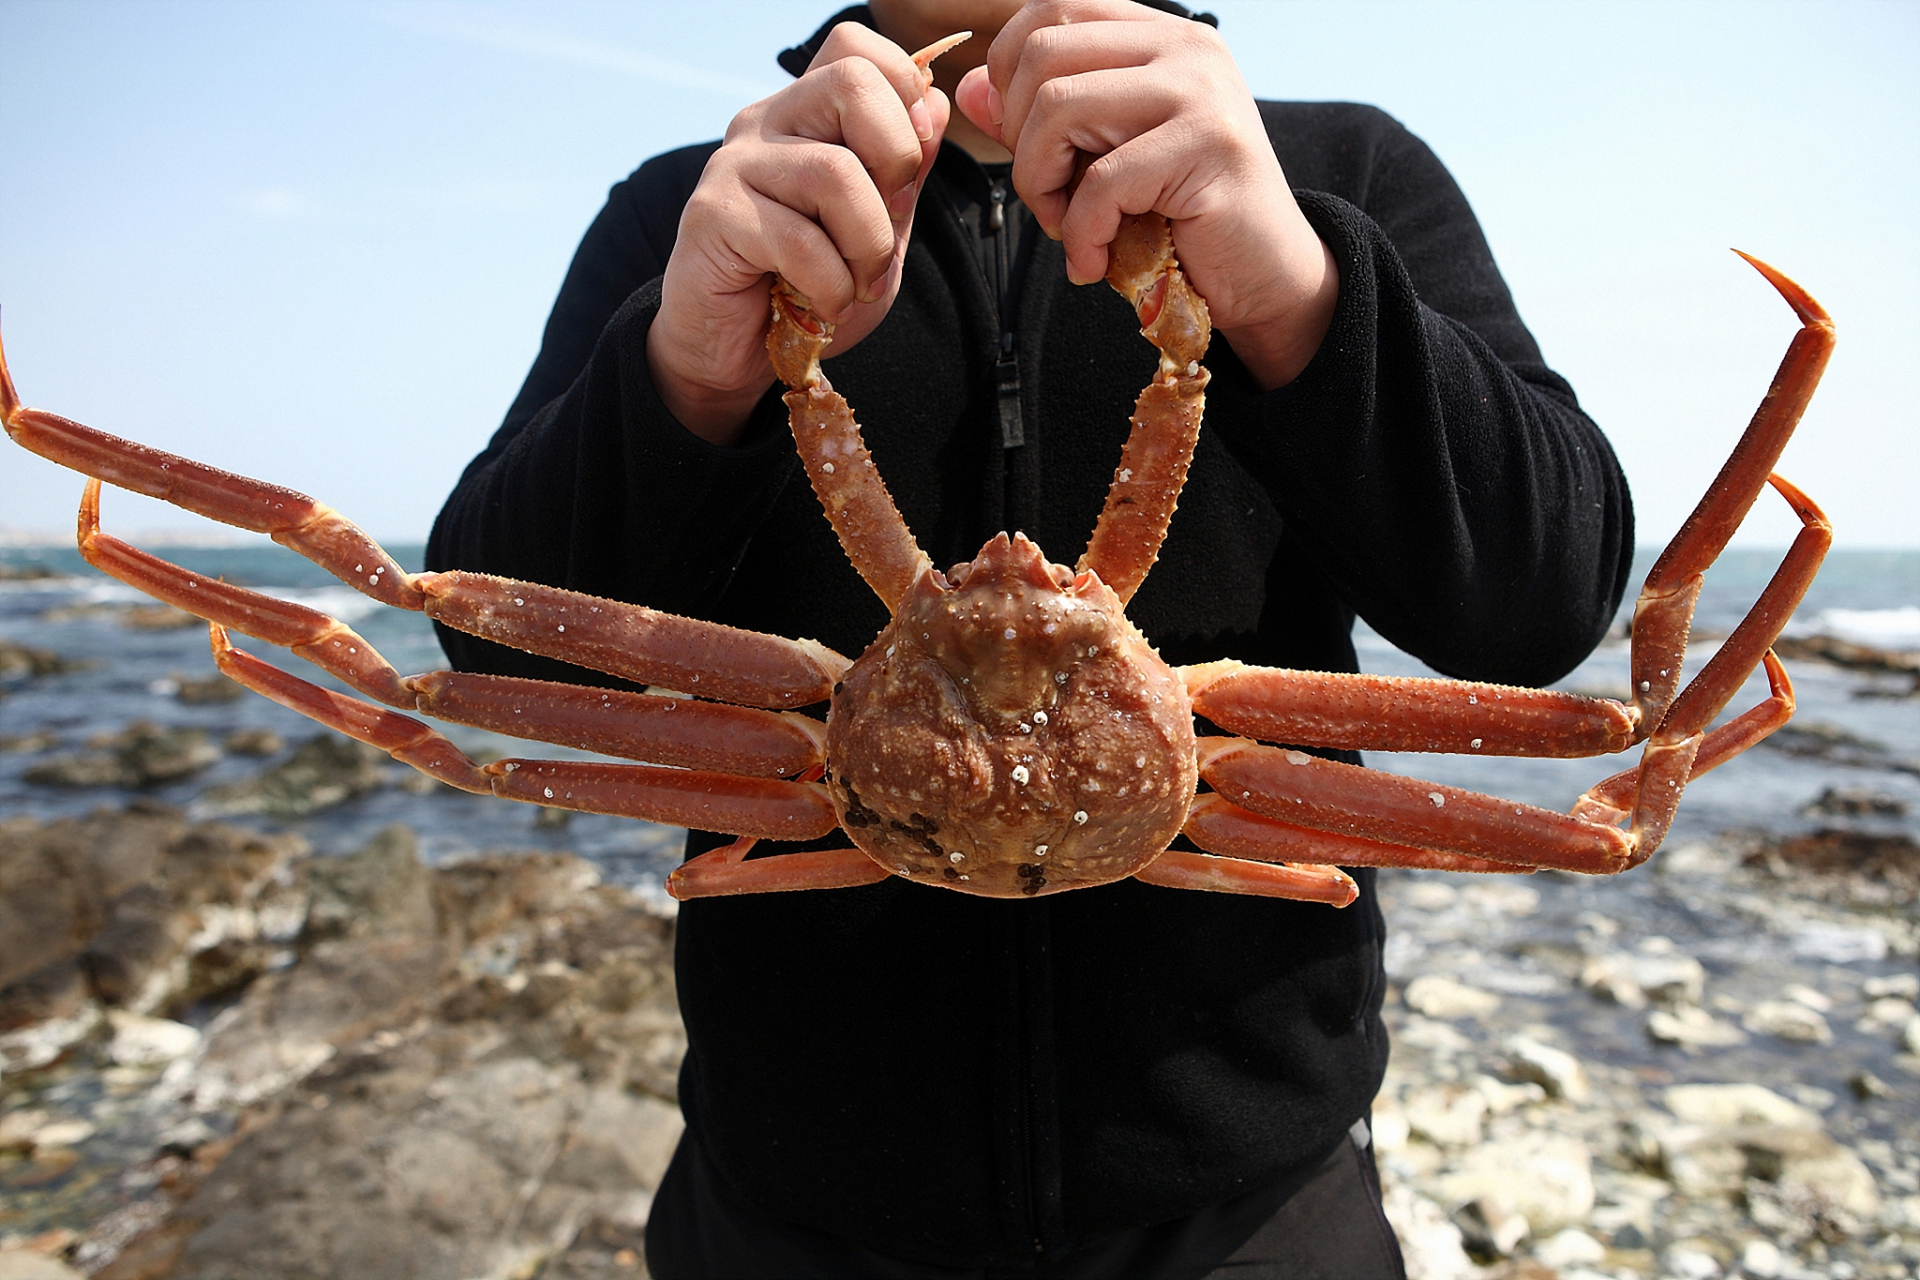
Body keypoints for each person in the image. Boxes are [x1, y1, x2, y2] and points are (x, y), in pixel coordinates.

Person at [428, 1, 1635, 1275]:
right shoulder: (707, 206)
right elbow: (495, 663)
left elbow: (1547, 608)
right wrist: (684, 372)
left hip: (1250, 1204)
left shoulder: (1333, 170)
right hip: (794, 1199)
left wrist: (1298, 294)